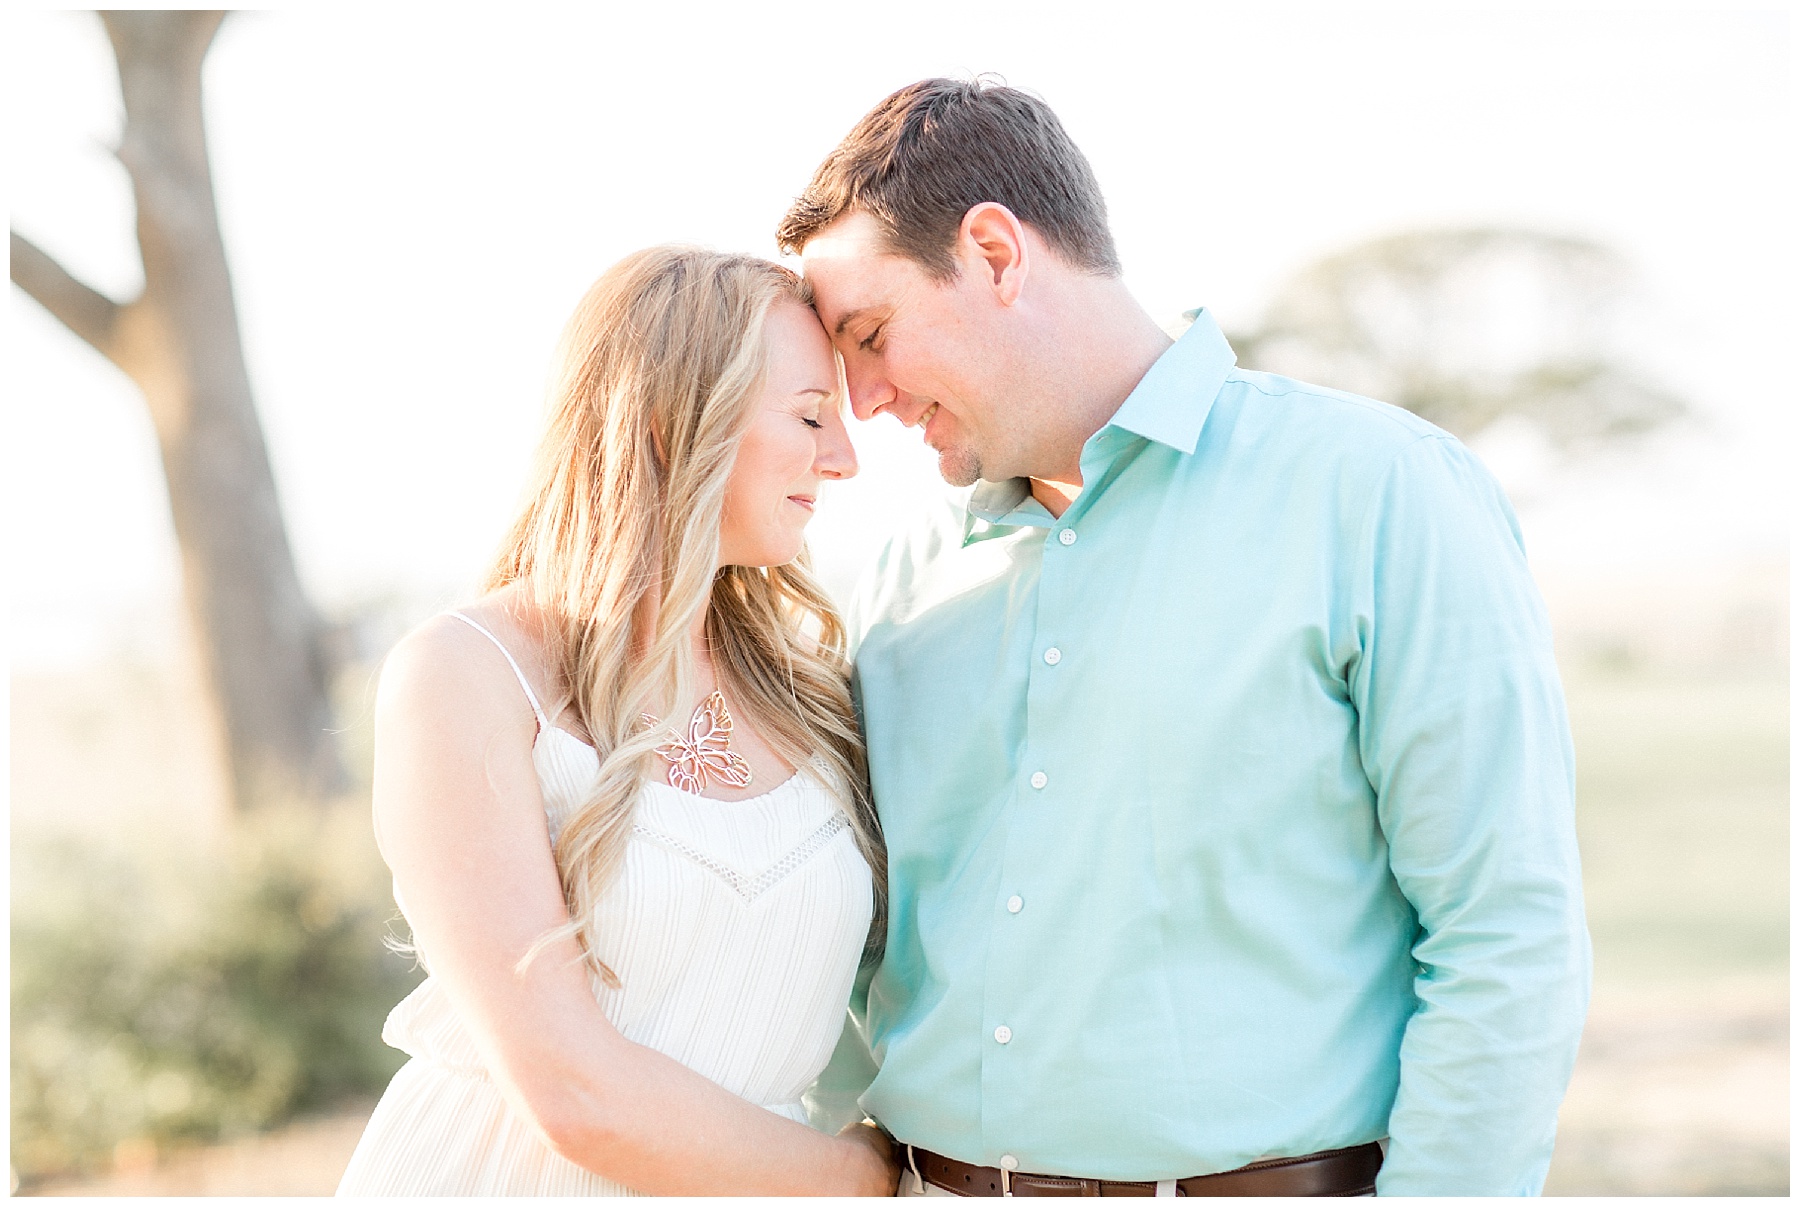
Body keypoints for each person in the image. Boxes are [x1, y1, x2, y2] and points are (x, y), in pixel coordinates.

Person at [783, 79, 1590, 1196]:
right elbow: (845, 949)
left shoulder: (1380, 493)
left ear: (996, 254)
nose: (861, 401)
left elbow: (1504, 929)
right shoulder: (885, 582)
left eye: (871, 335)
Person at [336, 247, 900, 1195]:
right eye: (810, 415)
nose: (842, 458)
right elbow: (575, 1093)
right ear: (672, 424)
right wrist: (864, 1179)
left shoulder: (812, 694)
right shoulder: (468, 674)